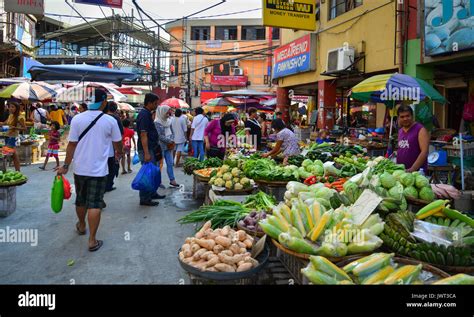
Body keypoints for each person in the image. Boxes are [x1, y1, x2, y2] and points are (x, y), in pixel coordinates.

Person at [55, 88, 123, 252]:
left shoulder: (77, 119)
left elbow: (71, 145)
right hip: (99, 170)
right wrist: (118, 153)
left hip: (80, 168)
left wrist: (65, 166)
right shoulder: (110, 121)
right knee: (95, 204)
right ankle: (92, 240)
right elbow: (117, 143)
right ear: (104, 102)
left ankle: (81, 225)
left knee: (81, 199)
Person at [136, 93, 166, 206]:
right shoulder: (144, 115)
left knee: (152, 173)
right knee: (147, 174)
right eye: (155, 103)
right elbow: (143, 135)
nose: (157, 105)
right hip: (147, 150)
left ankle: (152, 193)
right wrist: (147, 153)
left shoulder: (148, 114)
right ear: (149, 103)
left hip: (151, 148)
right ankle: (144, 198)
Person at [396, 105, 430, 172]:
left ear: (412, 116)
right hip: (402, 172)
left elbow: (424, 152)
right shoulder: (400, 131)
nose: (405, 119)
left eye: (407, 116)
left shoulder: (420, 129)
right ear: (398, 118)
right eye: (402, 117)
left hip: (416, 173)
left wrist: (412, 169)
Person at [155, 105, 180, 188]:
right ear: (162, 112)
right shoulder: (157, 122)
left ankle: (172, 180)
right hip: (161, 146)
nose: (168, 113)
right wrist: (170, 141)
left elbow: (173, 132)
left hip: (169, 146)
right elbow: (159, 136)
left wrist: (172, 140)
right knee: (159, 165)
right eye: (167, 111)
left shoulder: (169, 121)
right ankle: (158, 182)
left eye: (169, 111)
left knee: (170, 163)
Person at [104, 101, 123, 192]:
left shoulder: (102, 117)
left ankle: (103, 185)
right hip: (113, 146)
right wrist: (119, 150)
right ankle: (109, 185)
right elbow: (120, 134)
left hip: (102, 146)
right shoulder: (115, 118)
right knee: (112, 167)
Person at [0, 102, 26, 171]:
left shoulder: (20, 117)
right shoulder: (10, 115)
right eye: (9, 107)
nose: (10, 108)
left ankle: (6, 170)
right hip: (7, 136)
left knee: (7, 153)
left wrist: (15, 128)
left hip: (13, 137)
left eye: (12, 107)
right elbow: (4, 123)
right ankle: (17, 171)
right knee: (13, 155)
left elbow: (24, 128)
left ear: (16, 108)